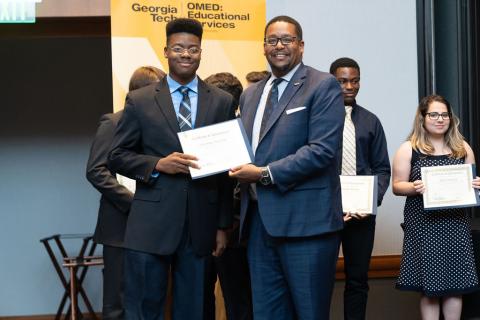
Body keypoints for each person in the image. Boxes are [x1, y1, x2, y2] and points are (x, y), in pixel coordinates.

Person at [108, 18, 236, 319]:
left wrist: (222, 225)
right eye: (178, 48)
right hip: (151, 223)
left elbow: (226, 173)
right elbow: (117, 155)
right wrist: (157, 164)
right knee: (143, 307)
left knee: (194, 308)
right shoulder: (140, 101)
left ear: (201, 52)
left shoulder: (221, 101)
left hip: (201, 223)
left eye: (193, 49)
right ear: (166, 51)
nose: (186, 54)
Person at [229, 15, 345, 319]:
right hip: (258, 225)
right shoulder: (251, 93)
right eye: (272, 40)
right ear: (264, 47)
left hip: (306, 225)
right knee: (266, 313)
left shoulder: (323, 85)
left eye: (287, 39)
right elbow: (245, 149)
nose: (279, 46)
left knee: (309, 313)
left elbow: (321, 151)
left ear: (301, 45)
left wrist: (265, 174)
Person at [86, 65, 165, 320]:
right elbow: (96, 170)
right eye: (158, 90)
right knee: (117, 302)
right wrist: (133, 203)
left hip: (155, 225)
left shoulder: (162, 126)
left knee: (151, 298)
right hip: (120, 226)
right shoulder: (114, 121)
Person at [392, 94, 480, 320]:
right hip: (424, 226)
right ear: (422, 118)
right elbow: (396, 186)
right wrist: (414, 186)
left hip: (455, 224)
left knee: (456, 283)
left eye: (445, 115)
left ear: (451, 119)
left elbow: (471, 184)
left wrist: (476, 184)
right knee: (429, 287)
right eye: (433, 114)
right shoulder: (409, 148)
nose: (440, 119)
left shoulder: (463, 149)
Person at [329, 57, 391, 320]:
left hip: (362, 216)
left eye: (354, 80)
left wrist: (368, 204)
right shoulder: (318, 119)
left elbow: (382, 169)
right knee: (318, 280)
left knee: (358, 280)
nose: (349, 86)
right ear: (332, 82)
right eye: (342, 81)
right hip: (326, 212)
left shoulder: (371, 121)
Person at [203, 72, 252, 320]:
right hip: (201, 231)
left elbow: (237, 187)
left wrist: (223, 224)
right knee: (201, 299)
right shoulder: (199, 133)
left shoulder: (241, 135)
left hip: (233, 233)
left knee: (238, 301)